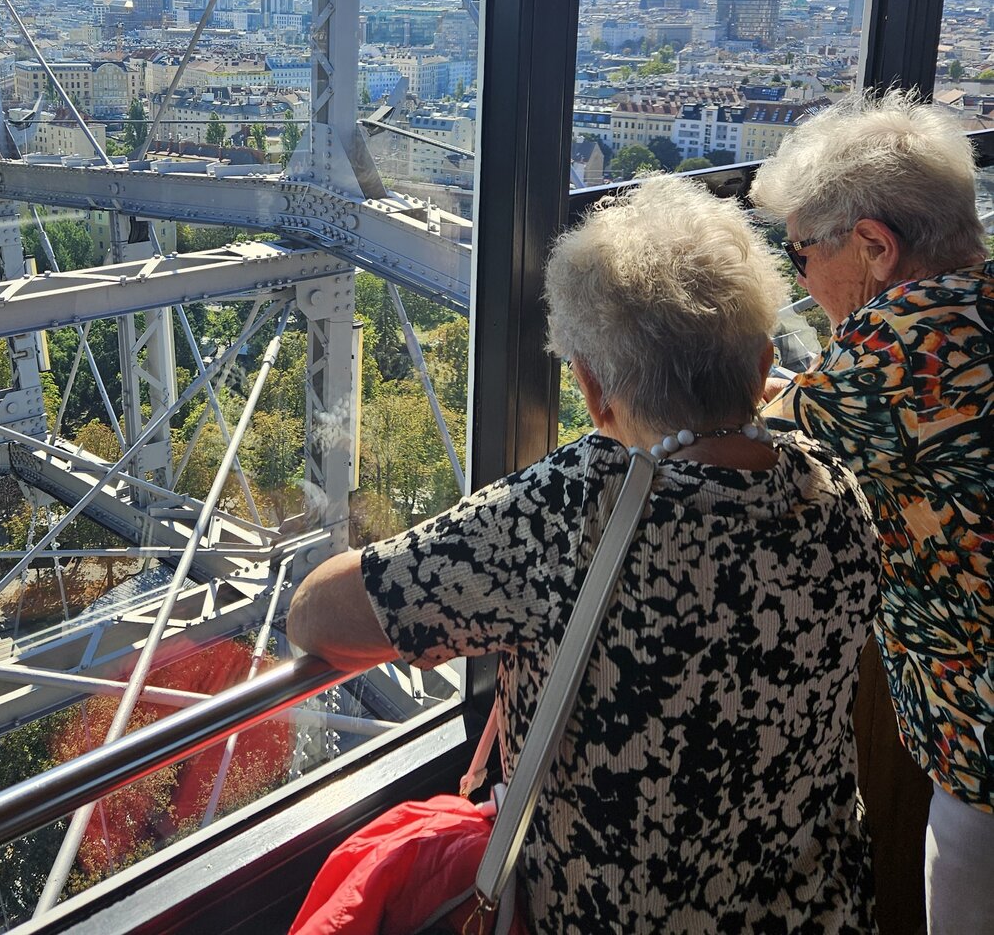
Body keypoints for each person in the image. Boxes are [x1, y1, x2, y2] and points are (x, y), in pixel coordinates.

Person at [289, 176, 881, 933]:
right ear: (764, 365)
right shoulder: (835, 492)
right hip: (816, 912)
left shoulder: (572, 508)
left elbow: (321, 615)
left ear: (593, 390)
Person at [752, 90, 993, 935]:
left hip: (983, 740)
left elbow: (745, 438)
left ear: (875, 246)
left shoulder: (895, 351)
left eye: (800, 256)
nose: (800, 280)